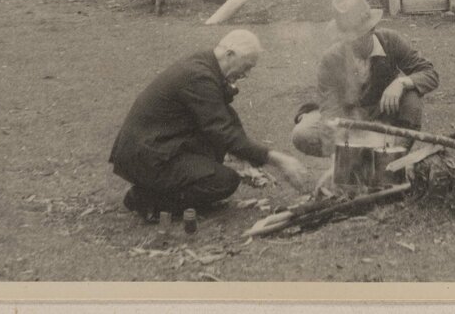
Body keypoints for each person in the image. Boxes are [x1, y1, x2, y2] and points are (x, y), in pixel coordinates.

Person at [110, 29, 310, 222]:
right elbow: (222, 130)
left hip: (155, 146)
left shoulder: (206, 63)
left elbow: (226, 117)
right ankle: (147, 200)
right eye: (247, 66)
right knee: (223, 181)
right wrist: (276, 159)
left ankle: (155, 190)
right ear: (230, 54)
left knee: (213, 155)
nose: (246, 74)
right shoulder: (199, 76)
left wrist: (249, 155)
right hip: (147, 156)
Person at [291, 0, 439, 159]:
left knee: (412, 99)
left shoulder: (391, 42)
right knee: (302, 133)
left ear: (371, 29)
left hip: (384, 116)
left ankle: (393, 161)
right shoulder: (330, 59)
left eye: (356, 37)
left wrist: (400, 83)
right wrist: (341, 148)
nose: (350, 43)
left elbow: (430, 73)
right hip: (347, 120)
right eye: (345, 37)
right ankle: (357, 161)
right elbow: (331, 109)